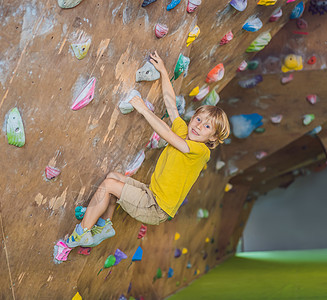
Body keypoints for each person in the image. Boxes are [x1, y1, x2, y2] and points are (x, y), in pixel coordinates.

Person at [66, 51, 230, 248]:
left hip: (156, 208)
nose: (198, 125)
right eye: (198, 119)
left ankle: (80, 234)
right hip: (151, 194)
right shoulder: (185, 133)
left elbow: (167, 135)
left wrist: (144, 109)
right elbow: (171, 107)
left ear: (212, 137)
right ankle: (104, 226)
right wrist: (162, 71)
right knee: (114, 177)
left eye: (206, 127)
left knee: (108, 186)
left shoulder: (201, 151)